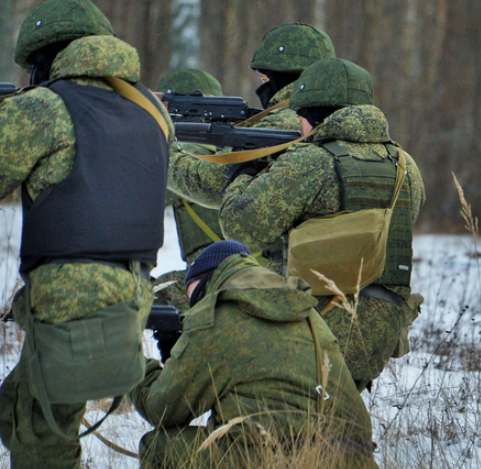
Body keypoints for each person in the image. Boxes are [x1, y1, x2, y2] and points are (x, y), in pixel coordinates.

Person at [0, 0, 172, 469]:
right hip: (131, 293)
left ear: (48, 58)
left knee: (40, 432)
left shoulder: (47, 107)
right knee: (18, 410)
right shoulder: (150, 110)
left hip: (70, 299)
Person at [219, 57, 426, 391]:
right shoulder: (405, 164)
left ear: (311, 113)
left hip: (315, 325)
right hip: (379, 331)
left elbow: (240, 228)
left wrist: (245, 171)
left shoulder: (311, 161)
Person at [131, 240, 378, 469]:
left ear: (209, 279)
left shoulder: (215, 317)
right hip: (352, 459)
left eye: (192, 291)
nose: (192, 301)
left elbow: (161, 409)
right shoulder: (303, 309)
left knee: (158, 446)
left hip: (278, 459)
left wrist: (131, 359)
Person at [166, 23, 335, 274]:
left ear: (282, 75)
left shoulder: (285, 121)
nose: (261, 85)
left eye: (264, 78)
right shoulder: (337, 117)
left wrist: (160, 147)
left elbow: (208, 183)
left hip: (296, 277)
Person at [153, 68, 225, 311]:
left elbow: (138, 195)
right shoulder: (225, 146)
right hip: (234, 269)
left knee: (141, 296)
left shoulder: (191, 153)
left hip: (217, 277)